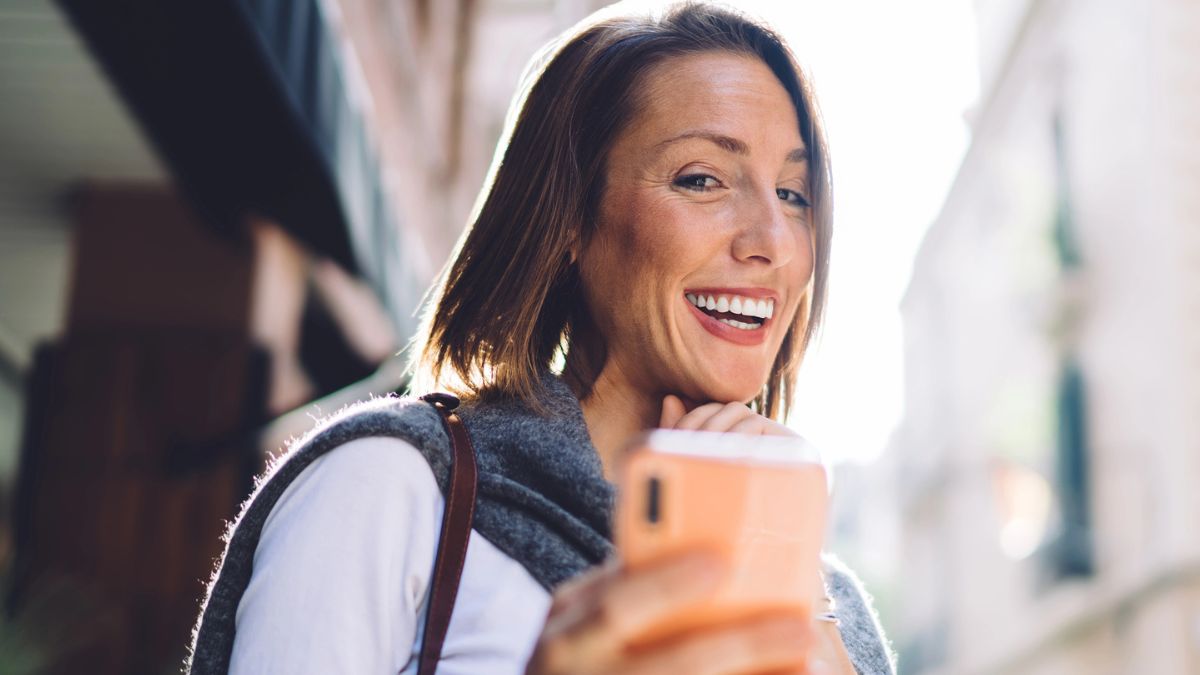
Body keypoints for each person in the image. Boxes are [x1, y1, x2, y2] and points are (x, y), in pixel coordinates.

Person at [188, 2, 895, 673]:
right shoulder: (391, 485)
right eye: (703, 179)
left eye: (795, 195)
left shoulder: (832, 605)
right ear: (570, 222)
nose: (772, 241)